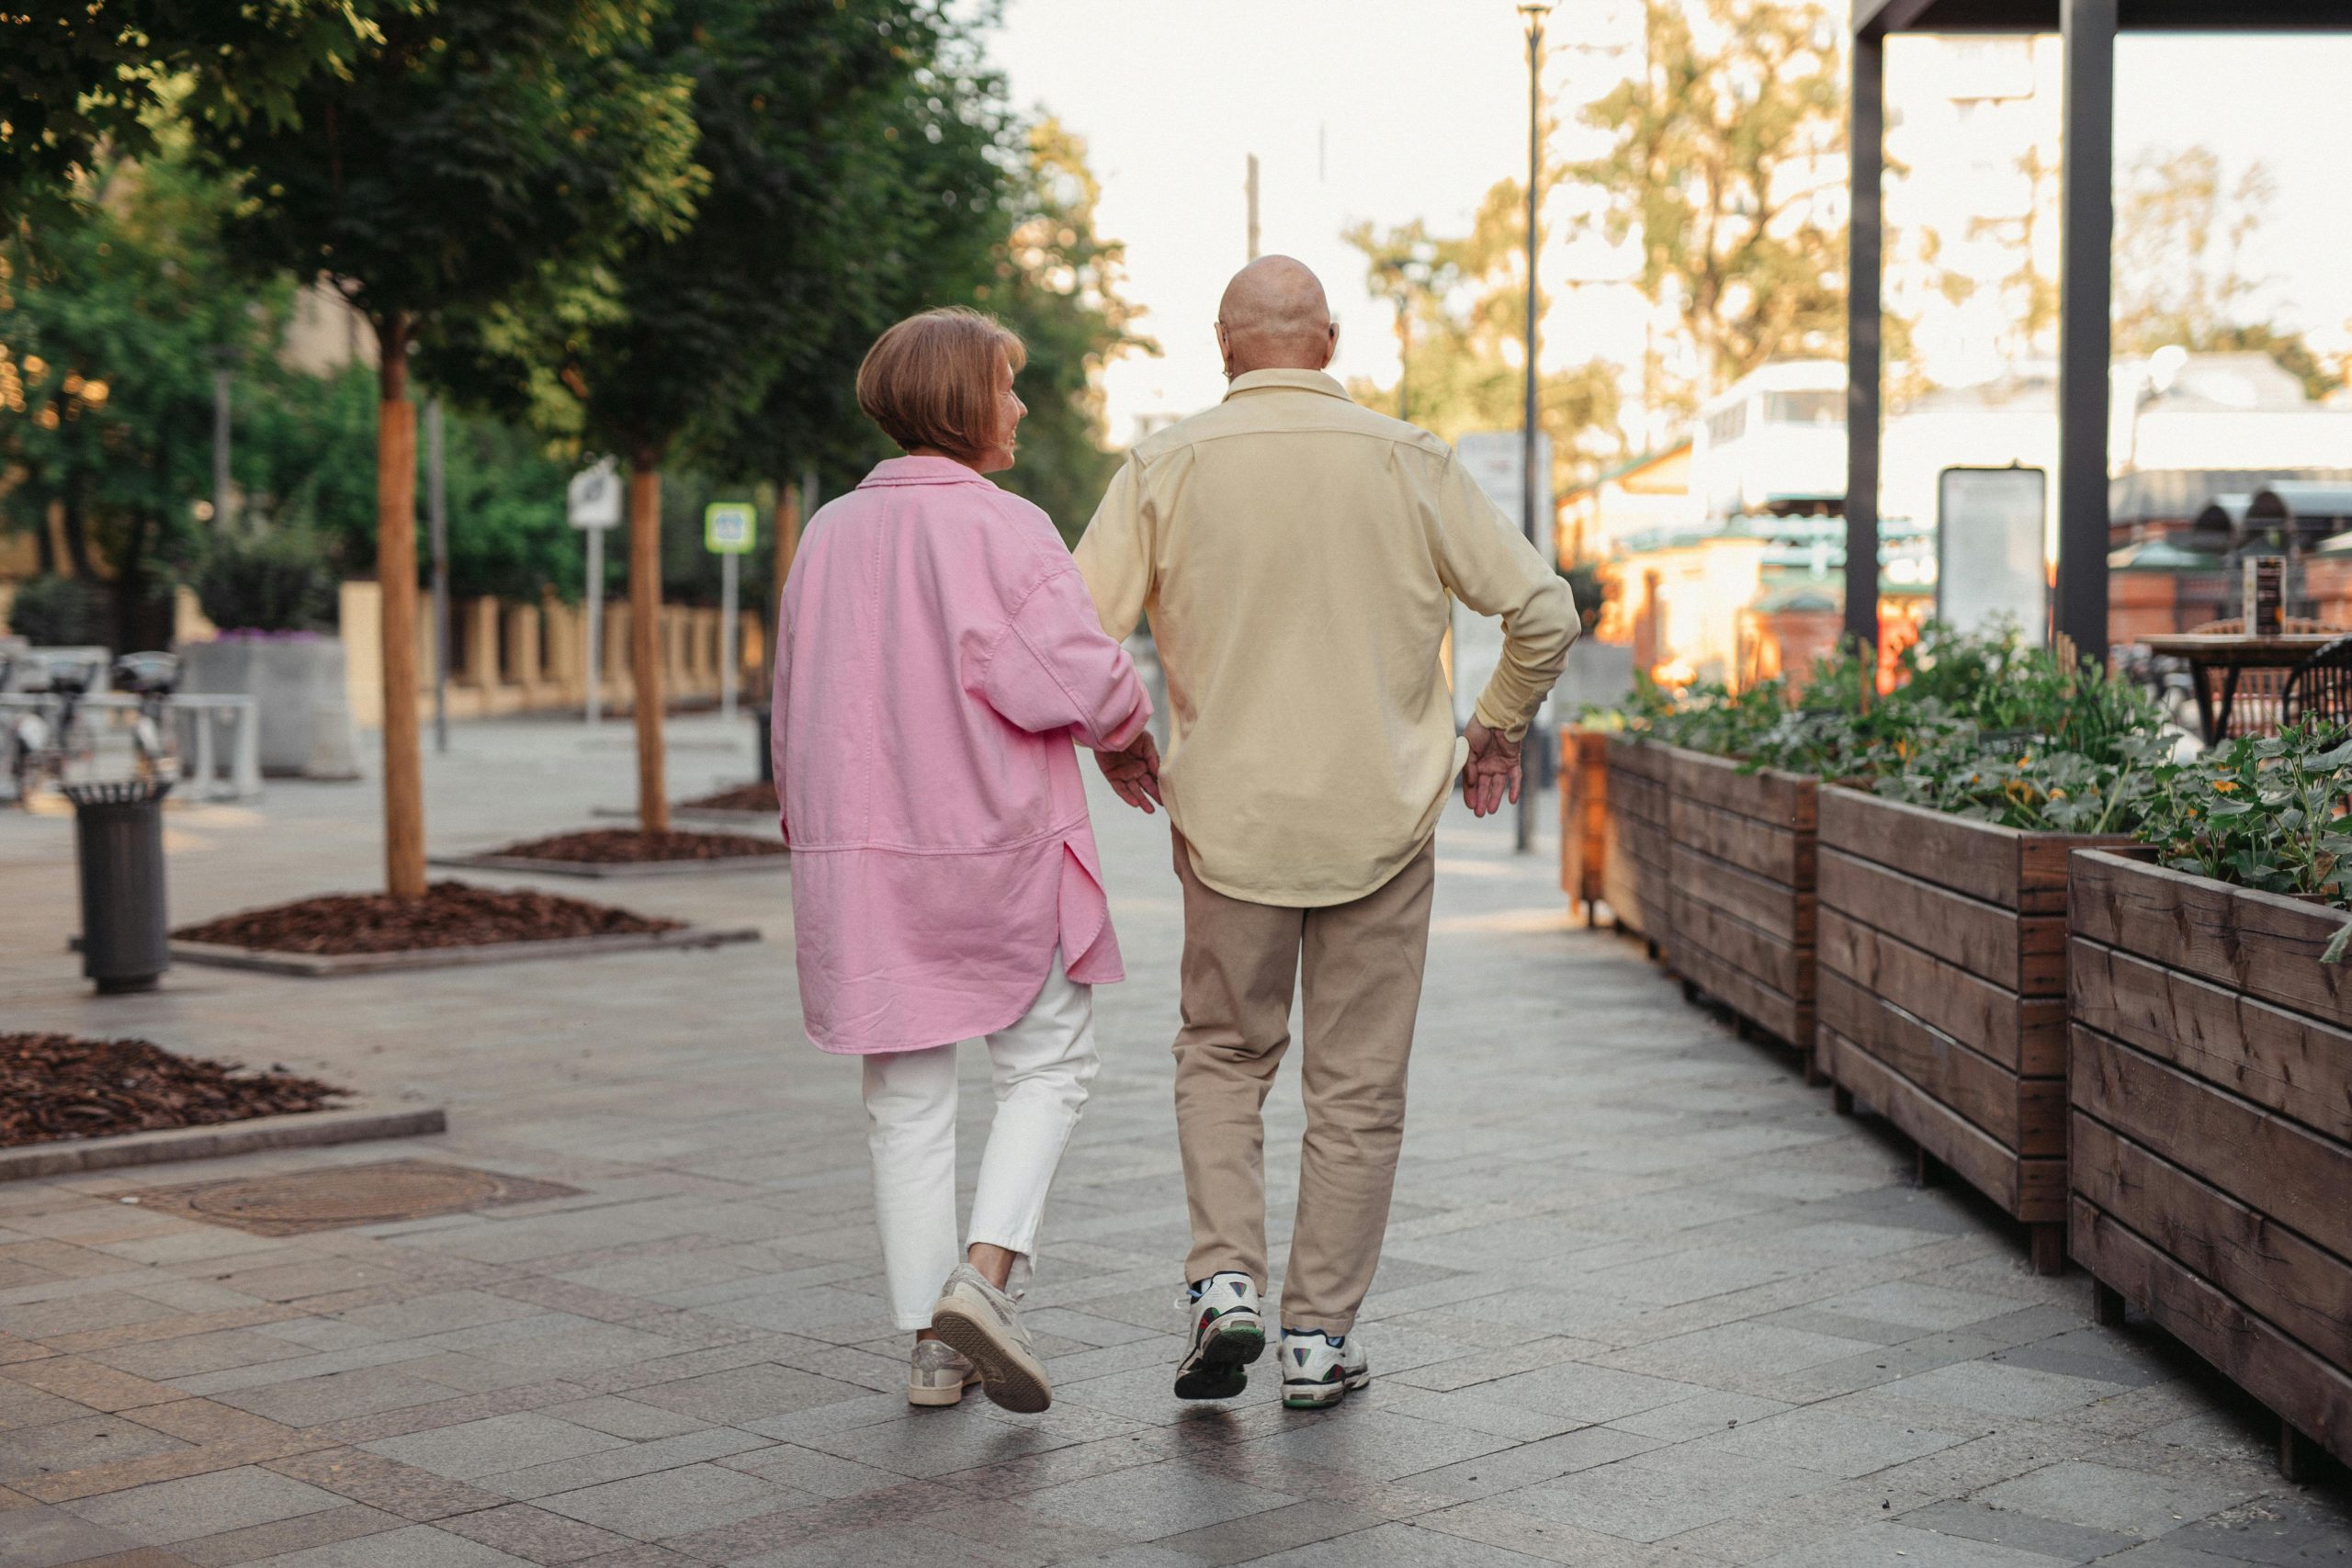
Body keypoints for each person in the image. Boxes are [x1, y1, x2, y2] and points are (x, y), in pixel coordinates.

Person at [1075, 257, 1579, 1409]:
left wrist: (1122, 739)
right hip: (1384, 825)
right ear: (1331, 340)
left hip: (1228, 823)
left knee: (1220, 1055)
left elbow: (1071, 628)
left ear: (1222, 346)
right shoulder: (1409, 460)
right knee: (1356, 1086)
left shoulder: (1166, 463)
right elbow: (1542, 609)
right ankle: (1315, 1340)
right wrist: (1492, 731)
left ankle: (1224, 1286)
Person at [770, 306, 1159, 1414]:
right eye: (1007, 384)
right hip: (993, 844)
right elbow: (1072, 673)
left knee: (905, 1090)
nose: (1020, 404)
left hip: (864, 854)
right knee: (1047, 1059)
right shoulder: (1006, 527)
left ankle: (931, 1348)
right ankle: (982, 1282)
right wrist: (1127, 737)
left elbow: (794, 698)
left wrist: (810, 832)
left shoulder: (827, 532)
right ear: (961, 400)